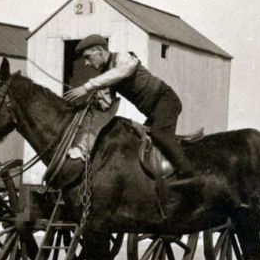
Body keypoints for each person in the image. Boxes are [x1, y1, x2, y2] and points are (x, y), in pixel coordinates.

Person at [64, 34, 195, 178]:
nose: (86, 63)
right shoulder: (106, 75)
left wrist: (88, 86)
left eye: (87, 57)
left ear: (99, 50)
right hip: (154, 112)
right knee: (141, 143)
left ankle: (189, 174)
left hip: (166, 100)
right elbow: (107, 104)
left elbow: (119, 73)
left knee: (160, 134)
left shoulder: (124, 58)